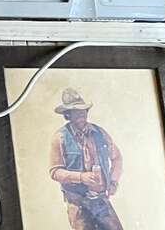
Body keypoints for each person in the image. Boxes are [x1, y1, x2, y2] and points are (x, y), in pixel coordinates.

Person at [48, 88, 124, 230]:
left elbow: (117, 158)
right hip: (77, 202)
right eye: (75, 111)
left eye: (83, 110)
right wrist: (81, 177)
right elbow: (54, 172)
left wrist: (113, 182)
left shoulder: (100, 133)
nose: (81, 114)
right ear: (67, 115)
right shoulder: (60, 138)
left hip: (101, 200)